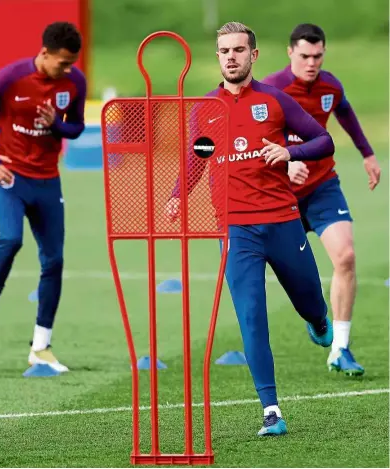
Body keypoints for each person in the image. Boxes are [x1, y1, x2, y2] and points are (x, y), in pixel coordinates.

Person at [166, 21, 335, 436]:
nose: (231, 57)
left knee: (310, 300)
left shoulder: (274, 101)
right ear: (218, 56)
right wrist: (176, 194)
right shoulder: (205, 107)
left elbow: (323, 142)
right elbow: (197, 157)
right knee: (251, 317)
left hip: (281, 220)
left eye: (239, 50)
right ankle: (271, 410)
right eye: (224, 50)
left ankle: (317, 320)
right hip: (235, 229)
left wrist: (289, 150)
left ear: (253, 55)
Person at [0, 21, 87, 372]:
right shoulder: (11, 77)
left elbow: (76, 126)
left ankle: (41, 347)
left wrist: (56, 124)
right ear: (44, 53)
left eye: (72, 61)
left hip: (48, 180)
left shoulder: (74, 82)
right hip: (10, 176)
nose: (68, 68)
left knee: (54, 261)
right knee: (10, 239)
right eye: (62, 62)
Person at [262, 24, 381, 376]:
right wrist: (287, 164)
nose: (311, 63)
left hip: (323, 187)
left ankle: (340, 348)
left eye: (317, 56)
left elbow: (345, 113)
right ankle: (316, 318)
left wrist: (367, 153)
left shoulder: (330, 86)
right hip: (281, 193)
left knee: (346, 256)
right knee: (290, 274)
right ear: (290, 53)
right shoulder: (272, 88)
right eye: (304, 56)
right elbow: (257, 139)